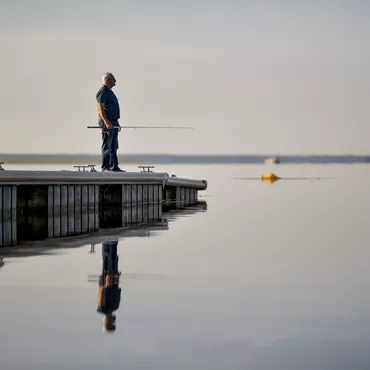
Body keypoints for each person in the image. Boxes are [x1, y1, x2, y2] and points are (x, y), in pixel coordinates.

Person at [96, 72, 125, 172]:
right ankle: (105, 167)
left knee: (114, 146)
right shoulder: (103, 91)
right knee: (107, 145)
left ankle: (114, 167)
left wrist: (116, 123)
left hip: (114, 122)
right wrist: (106, 122)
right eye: (113, 79)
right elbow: (100, 107)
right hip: (107, 123)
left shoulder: (110, 92)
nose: (115, 81)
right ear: (108, 80)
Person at [97, 239, 121, 332]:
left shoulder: (103, 309)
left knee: (107, 255)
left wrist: (106, 283)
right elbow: (117, 290)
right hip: (113, 279)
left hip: (107, 278)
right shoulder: (115, 307)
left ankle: (106, 239)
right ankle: (113, 239)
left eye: (112, 324)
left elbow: (101, 292)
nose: (114, 321)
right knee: (113, 255)